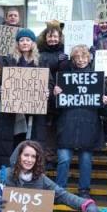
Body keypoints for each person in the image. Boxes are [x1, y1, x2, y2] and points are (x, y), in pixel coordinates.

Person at [0, 28, 50, 178]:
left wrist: (47, 92)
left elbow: (49, 83)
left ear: (33, 43)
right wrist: (0, 90)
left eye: (28, 40)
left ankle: (28, 178)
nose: (24, 43)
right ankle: (6, 177)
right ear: (17, 43)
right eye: (21, 40)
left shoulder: (41, 62)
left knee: (29, 145)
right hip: (11, 116)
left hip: (32, 116)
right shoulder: (9, 60)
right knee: (11, 145)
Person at [53, 44, 107, 198]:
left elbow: (104, 112)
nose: (80, 60)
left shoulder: (98, 80)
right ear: (72, 59)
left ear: (89, 58)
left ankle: (84, 191)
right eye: (77, 57)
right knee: (64, 160)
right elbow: (54, 109)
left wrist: (106, 102)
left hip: (89, 127)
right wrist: (55, 96)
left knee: (86, 162)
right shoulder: (63, 79)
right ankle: (60, 191)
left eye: (83, 56)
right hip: (66, 127)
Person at [38, 21, 68, 164]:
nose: (52, 39)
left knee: (57, 128)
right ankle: (46, 158)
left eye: (55, 37)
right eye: (50, 37)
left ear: (60, 37)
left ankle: (54, 158)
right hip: (42, 96)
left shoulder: (66, 53)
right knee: (45, 129)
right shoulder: (38, 53)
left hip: (59, 95)